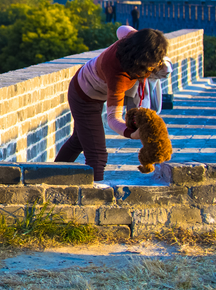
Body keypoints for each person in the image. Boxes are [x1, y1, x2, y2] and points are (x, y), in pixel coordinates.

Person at [54, 26, 170, 181]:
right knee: (97, 155)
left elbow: (121, 29)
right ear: (140, 59)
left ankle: (50, 175)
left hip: (89, 84)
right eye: (152, 65)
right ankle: (95, 198)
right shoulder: (118, 75)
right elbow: (113, 119)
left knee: (79, 140)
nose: (155, 67)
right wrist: (131, 134)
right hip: (83, 97)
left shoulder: (132, 40)